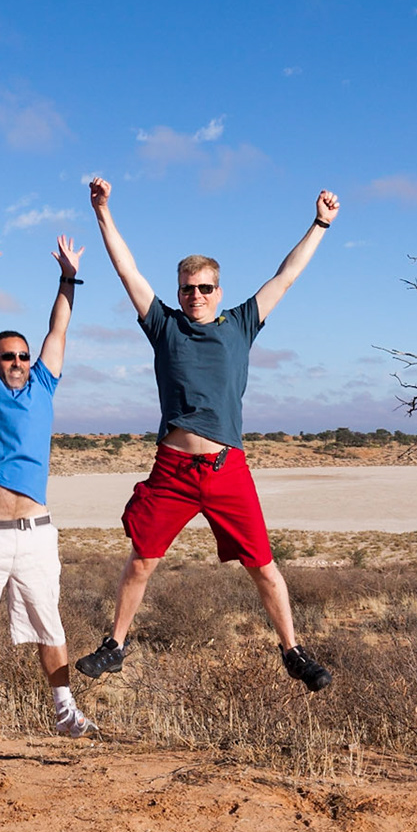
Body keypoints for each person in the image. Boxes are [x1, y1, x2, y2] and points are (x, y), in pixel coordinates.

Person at [74, 178, 340, 692]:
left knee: (263, 566)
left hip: (226, 470)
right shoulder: (163, 325)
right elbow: (125, 268)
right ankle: (115, 646)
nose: (195, 296)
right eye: (187, 289)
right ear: (178, 292)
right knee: (141, 561)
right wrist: (103, 212)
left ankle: (293, 651)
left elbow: (286, 276)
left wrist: (321, 223)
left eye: (205, 288)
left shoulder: (241, 323)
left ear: (220, 291)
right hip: (173, 472)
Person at [0, 230, 99, 756]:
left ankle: (65, 711)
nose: (16, 362)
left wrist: (68, 276)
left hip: (35, 533)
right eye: (7, 355)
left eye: (22, 356)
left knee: (48, 621)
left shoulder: (44, 385)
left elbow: (60, 326)